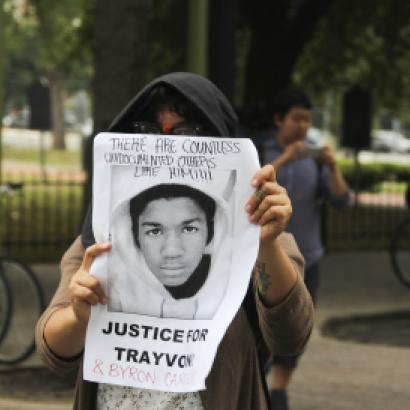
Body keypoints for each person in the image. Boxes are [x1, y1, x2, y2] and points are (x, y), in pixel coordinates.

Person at [35, 73, 314, 410]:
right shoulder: (96, 246)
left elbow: (291, 336)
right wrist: (79, 318)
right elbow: (53, 353)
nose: (166, 146)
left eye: (187, 133)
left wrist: (265, 244)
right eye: (148, 132)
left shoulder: (263, 244)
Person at [260, 87, 351, 410]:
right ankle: (260, 382)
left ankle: (280, 392)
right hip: (265, 259)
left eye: (307, 120)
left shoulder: (316, 161)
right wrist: (286, 158)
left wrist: (333, 166)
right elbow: (249, 188)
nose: (302, 126)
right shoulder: (261, 152)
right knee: (262, 326)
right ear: (278, 120)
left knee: (296, 326)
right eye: (296, 118)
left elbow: (342, 201)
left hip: (308, 257)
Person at [108, 183, 231, 319]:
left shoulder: (234, 281)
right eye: (155, 232)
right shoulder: (111, 291)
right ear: (135, 236)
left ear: (211, 232)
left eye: (189, 229)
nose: (172, 252)